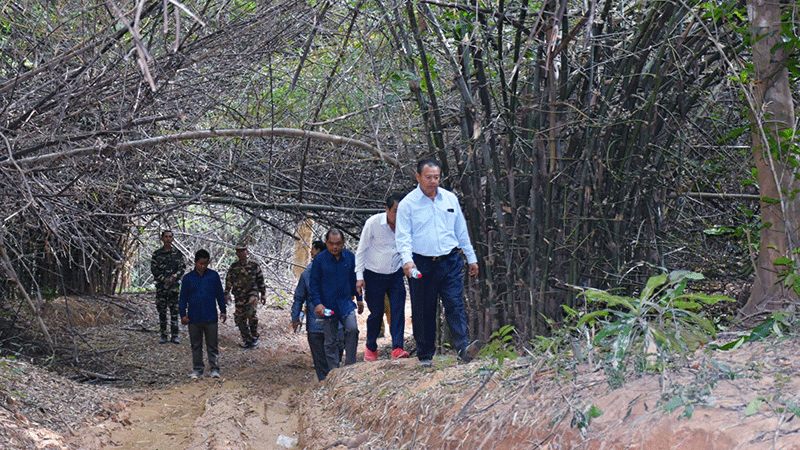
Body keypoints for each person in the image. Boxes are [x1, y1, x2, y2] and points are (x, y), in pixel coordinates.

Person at [395, 159, 480, 367]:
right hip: (422, 263)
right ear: (418, 177)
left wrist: (471, 257)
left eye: (436, 177)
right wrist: (407, 261)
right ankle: (425, 356)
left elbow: (461, 230)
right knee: (424, 309)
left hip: (450, 260)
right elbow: (403, 236)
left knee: (455, 304)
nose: (433, 181)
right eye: (428, 177)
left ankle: (463, 348)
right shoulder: (408, 204)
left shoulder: (450, 199)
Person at [355, 193, 408, 361]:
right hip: (374, 274)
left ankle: (397, 348)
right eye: (396, 211)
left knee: (398, 310)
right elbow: (361, 251)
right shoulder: (373, 223)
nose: (399, 215)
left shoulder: (407, 225)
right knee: (376, 313)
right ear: (387, 209)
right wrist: (359, 276)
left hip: (396, 273)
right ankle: (371, 345)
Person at [309, 228, 363, 378]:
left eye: (338, 244)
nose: (335, 247)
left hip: (346, 303)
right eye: (331, 243)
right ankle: (334, 372)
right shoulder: (319, 260)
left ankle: (350, 366)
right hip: (327, 305)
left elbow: (354, 279)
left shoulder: (349, 257)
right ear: (326, 243)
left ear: (343, 243)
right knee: (330, 341)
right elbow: (314, 284)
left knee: (352, 330)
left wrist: (359, 299)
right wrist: (318, 303)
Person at [179, 249, 228, 379]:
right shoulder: (188, 278)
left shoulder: (213, 276)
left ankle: (214, 369)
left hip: (210, 316)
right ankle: (198, 369)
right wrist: (182, 314)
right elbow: (183, 298)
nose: (203, 266)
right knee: (196, 345)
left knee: (212, 345)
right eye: (200, 263)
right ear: (195, 263)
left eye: (205, 263)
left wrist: (223, 310)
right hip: (194, 317)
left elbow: (220, 295)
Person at [291, 240, 332, 381]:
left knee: (323, 357)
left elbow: (298, 298)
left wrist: (295, 318)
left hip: (324, 324)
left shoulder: (310, 273)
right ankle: (327, 382)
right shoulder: (308, 273)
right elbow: (299, 298)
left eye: (313, 250)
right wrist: (295, 317)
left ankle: (326, 381)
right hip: (324, 324)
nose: (311, 252)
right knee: (326, 357)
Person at [224, 243, 266, 348]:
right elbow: (229, 281)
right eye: (238, 252)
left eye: (242, 251)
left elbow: (260, 280)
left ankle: (254, 336)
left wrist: (263, 294)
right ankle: (247, 339)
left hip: (252, 294)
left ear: (246, 252)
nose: (240, 253)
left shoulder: (254, 266)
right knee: (239, 318)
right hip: (239, 295)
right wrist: (227, 293)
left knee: (251, 314)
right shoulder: (234, 267)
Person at [150, 230, 187, 344]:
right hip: (161, 287)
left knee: (174, 311)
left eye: (170, 237)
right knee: (162, 311)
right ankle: (163, 335)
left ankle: (175, 335)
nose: (167, 239)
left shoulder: (178, 254)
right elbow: (154, 269)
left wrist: (175, 277)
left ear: (173, 239)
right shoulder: (157, 254)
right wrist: (163, 279)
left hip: (174, 287)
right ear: (162, 239)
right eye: (165, 237)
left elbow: (182, 267)